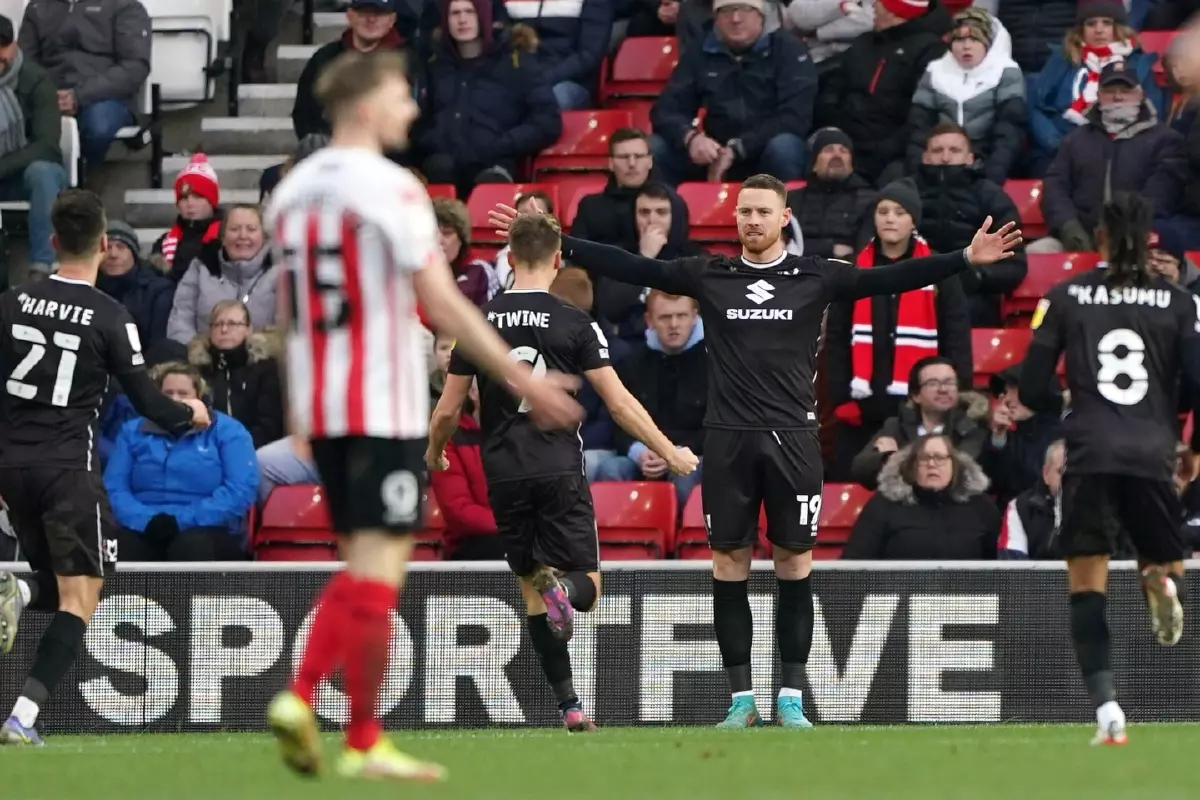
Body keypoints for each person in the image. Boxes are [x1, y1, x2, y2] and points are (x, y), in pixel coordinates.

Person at [489, 172, 1021, 728]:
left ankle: (791, 697)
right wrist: (557, 240)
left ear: (783, 217)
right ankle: (741, 699)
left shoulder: (815, 275)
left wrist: (963, 257)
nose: (752, 220)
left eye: (763, 212)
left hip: (793, 439)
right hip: (728, 440)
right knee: (728, 565)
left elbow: (892, 277)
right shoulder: (709, 273)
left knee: (794, 564)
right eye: (744, 211)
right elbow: (634, 266)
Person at [261, 50, 581, 781]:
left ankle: (364, 737)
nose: (414, 107)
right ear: (366, 104)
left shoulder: (291, 190)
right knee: (379, 567)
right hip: (381, 401)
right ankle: (306, 695)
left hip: (327, 404)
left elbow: (288, 313)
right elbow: (439, 302)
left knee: (368, 564)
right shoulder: (393, 189)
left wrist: (298, 406)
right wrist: (517, 378)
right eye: (403, 95)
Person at [426, 212, 698, 732]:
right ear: (557, 260)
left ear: (508, 257)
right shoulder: (575, 322)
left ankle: (569, 705)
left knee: (531, 588)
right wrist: (672, 450)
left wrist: (435, 451)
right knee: (586, 586)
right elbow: (618, 405)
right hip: (558, 469)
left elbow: (447, 409)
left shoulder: (477, 322)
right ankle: (566, 596)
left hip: (502, 473)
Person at [0, 189, 210, 746]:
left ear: (52, 241)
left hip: (12, 467)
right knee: (84, 594)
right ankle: (22, 716)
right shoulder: (112, 316)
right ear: (100, 245)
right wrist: (191, 412)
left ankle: (20, 596)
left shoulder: (11, 302)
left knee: (71, 581)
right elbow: (150, 404)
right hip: (67, 467)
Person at [1017, 192, 1200, 746]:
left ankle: (1108, 711)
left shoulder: (1065, 294)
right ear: (1149, 242)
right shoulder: (1176, 301)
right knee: (1171, 560)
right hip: (1152, 451)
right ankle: (1160, 580)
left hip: (1091, 451)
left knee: (1085, 587)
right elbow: (1195, 384)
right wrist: (1181, 435)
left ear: (1097, 238)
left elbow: (1030, 386)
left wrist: (1069, 409)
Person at [650, 0, 816, 185]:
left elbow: (795, 118)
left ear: (760, 15)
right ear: (716, 18)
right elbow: (665, 110)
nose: (735, 19)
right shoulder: (700, 51)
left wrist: (739, 148)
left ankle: (789, 210)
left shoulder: (789, 50)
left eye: (745, 9)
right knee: (654, 148)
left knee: (785, 147)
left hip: (763, 150)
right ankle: (662, 211)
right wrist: (690, 138)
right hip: (714, 153)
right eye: (726, 11)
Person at [105, 362, 258, 562]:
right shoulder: (132, 431)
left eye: (183, 393)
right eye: (168, 393)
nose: (175, 400)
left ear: (199, 397)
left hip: (206, 527)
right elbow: (114, 488)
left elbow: (240, 489)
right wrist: (146, 521)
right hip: (144, 525)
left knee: (191, 547)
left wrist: (182, 521)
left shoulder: (229, 431)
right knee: (119, 547)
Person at [841, 433, 999, 560]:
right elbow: (853, 563)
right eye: (924, 458)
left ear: (954, 465)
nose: (931, 464)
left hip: (964, 598)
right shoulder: (885, 503)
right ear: (912, 467)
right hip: (898, 597)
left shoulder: (981, 507)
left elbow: (999, 567)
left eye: (940, 458)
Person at [0, 14, 68, 277]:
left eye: (3, 46)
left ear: (14, 45)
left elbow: (47, 146)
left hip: (24, 174)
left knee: (43, 172)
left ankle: (42, 267)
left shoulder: (37, 79)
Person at [167, 205, 278, 344]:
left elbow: (290, 327)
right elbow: (181, 319)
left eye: (251, 229)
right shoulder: (201, 267)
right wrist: (195, 352)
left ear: (264, 237)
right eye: (234, 229)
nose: (243, 236)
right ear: (223, 237)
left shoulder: (279, 273)